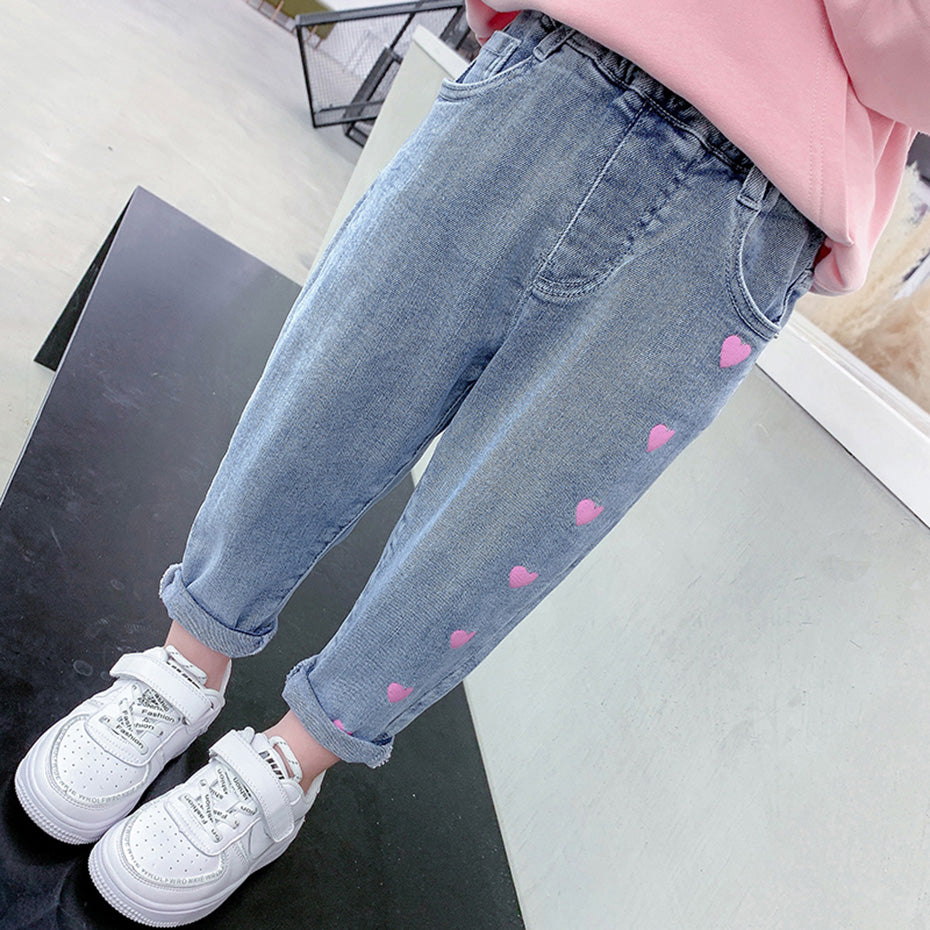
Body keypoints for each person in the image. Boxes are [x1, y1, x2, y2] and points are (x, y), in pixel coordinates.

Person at [14, 2, 927, 925]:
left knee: (509, 517)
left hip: (749, 211)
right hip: (566, 59)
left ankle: (290, 764)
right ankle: (186, 665)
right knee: (333, 382)